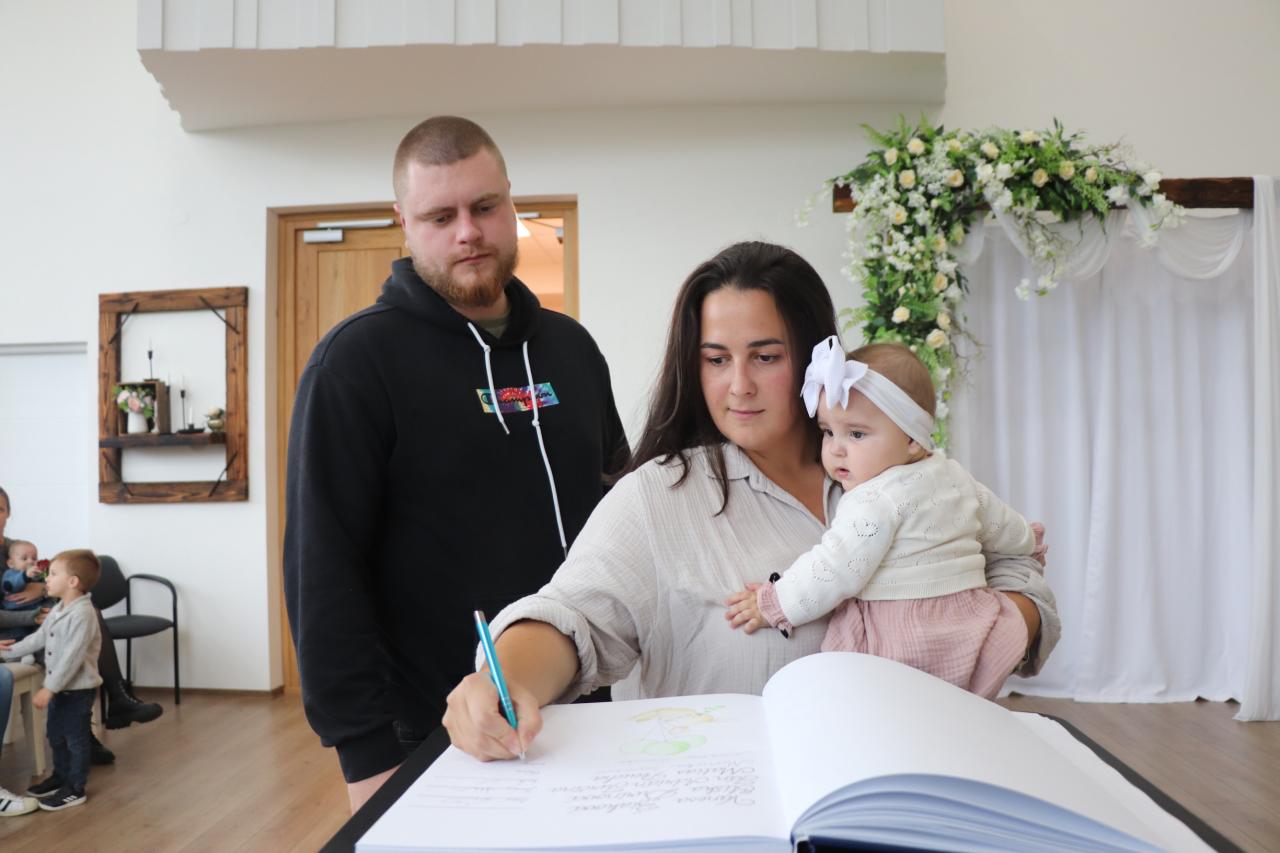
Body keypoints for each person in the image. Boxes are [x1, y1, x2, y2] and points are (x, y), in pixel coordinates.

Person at [442, 241, 1059, 761]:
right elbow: (572, 617)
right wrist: (506, 681)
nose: (739, 386)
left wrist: (986, 627)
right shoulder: (659, 496)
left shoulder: (896, 469)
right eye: (716, 360)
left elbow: (1017, 569)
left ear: (816, 362)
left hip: (921, 777)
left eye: (765, 357)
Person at [284, 115, 629, 811]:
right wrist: (365, 752)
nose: (468, 231)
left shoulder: (571, 349)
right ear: (404, 223)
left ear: (511, 201)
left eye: (485, 207)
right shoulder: (354, 364)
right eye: (440, 216)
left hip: (586, 705)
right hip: (428, 732)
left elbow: (621, 507)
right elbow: (322, 568)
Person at [724, 337, 1036, 699]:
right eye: (828, 432)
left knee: (868, 702)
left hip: (904, 636)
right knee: (950, 712)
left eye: (856, 434)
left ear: (912, 439)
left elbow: (835, 567)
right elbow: (1004, 527)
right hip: (967, 625)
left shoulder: (873, 498)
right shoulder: (956, 476)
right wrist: (1030, 539)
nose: (836, 448)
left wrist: (776, 602)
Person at [0, 487, 162, 770]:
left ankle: (111, 703)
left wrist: (41, 589)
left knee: (88, 616)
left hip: (39, 621)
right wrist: (35, 617)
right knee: (68, 647)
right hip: (12, 632)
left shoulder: (18, 547)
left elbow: (53, 575)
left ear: (9, 513)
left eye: (0, 509)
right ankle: (102, 717)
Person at [0, 549, 103, 811]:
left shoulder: (83, 614)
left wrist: (49, 688)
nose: (46, 578)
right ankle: (60, 776)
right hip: (60, 689)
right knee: (55, 735)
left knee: (75, 739)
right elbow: (38, 638)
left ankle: (75, 788)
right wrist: (7, 652)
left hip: (77, 690)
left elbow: (72, 658)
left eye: (53, 574)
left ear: (73, 582)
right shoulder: (59, 608)